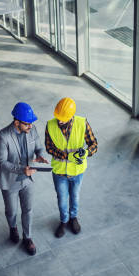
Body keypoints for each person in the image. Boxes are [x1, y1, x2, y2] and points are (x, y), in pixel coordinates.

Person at [0, 102, 48, 255]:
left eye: (31, 123)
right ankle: (13, 227)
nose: (30, 126)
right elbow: (2, 163)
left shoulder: (32, 129)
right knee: (11, 211)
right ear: (16, 122)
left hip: (28, 179)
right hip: (10, 180)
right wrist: (21, 169)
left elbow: (39, 147)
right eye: (27, 123)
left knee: (28, 209)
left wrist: (40, 156)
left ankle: (28, 237)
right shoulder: (2, 137)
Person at [45, 97, 98, 238]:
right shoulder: (50, 125)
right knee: (62, 199)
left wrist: (86, 152)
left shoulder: (82, 123)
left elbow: (94, 144)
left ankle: (73, 218)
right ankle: (64, 221)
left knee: (75, 197)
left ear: (71, 116)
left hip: (77, 172)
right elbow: (49, 148)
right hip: (59, 172)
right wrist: (65, 156)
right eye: (58, 117)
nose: (60, 121)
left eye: (63, 119)